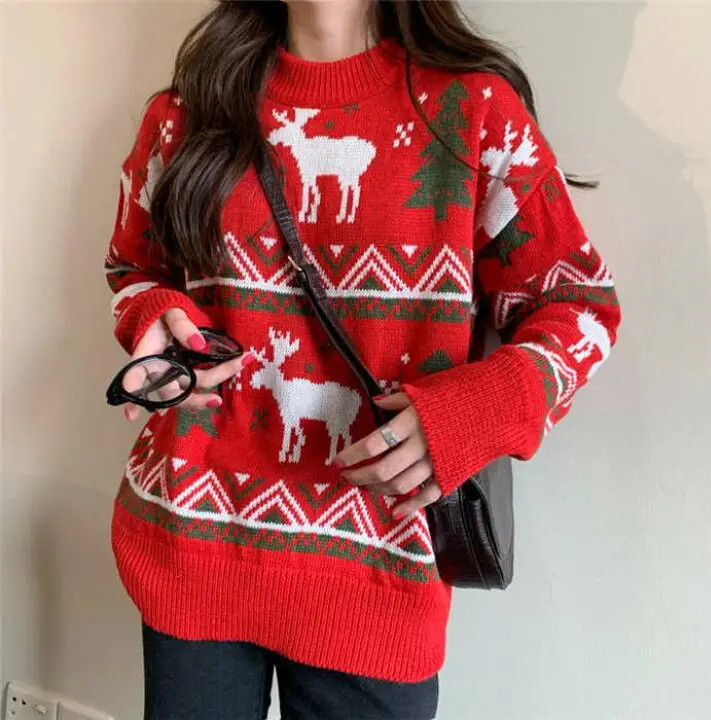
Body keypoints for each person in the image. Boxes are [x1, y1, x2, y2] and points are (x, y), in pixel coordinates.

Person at [105, 1, 621, 718]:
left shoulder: (475, 113)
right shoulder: (183, 115)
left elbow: (579, 305)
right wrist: (154, 316)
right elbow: (133, 269)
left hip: (379, 573)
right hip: (191, 549)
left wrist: (471, 414)